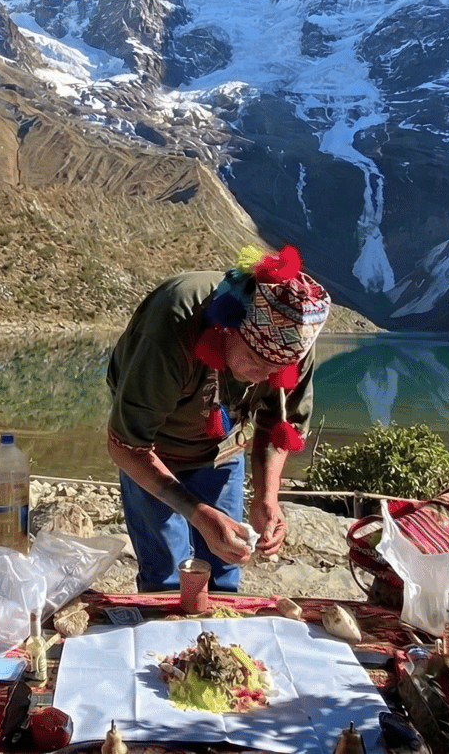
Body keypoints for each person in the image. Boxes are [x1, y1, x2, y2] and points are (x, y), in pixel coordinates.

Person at [106, 246, 330, 593]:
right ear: (228, 326)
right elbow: (127, 446)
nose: (260, 379)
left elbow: (278, 423)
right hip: (153, 453)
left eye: (276, 372)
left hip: (223, 449)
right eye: (255, 362)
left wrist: (266, 497)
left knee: (226, 562)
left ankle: (220, 642)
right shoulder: (174, 324)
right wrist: (198, 513)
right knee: (166, 573)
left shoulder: (296, 335)